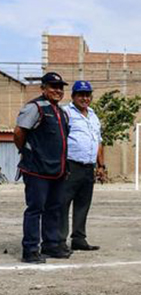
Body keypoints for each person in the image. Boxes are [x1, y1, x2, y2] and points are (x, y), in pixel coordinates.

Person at [13, 72, 71, 263]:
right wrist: (28, 153)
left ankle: (51, 246)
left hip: (57, 171)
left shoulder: (61, 112)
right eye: (53, 86)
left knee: (54, 209)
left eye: (60, 87)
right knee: (35, 209)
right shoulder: (35, 107)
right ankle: (30, 250)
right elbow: (19, 132)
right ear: (43, 88)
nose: (57, 91)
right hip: (37, 170)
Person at [59, 80, 104, 252]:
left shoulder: (93, 115)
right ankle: (60, 241)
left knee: (83, 204)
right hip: (70, 165)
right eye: (81, 95)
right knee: (63, 204)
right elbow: (60, 139)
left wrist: (101, 165)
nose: (85, 98)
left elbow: (98, 141)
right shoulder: (66, 113)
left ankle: (79, 239)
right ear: (73, 96)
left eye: (87, 95)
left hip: (88, 167)